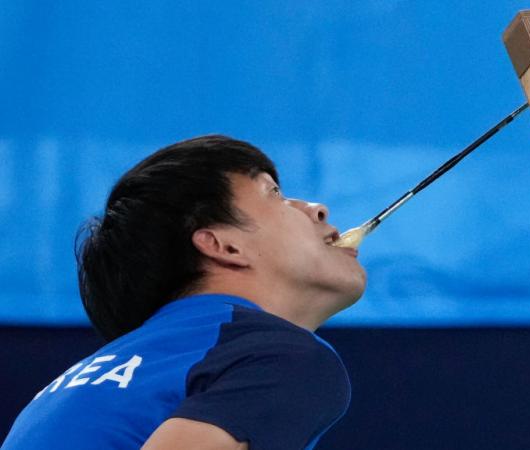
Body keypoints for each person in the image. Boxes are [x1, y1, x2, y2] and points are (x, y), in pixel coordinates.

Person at [1, 135, 366, 450]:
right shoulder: (273, 353)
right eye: (273, 192)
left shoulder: (65, 393)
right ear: (224, 245)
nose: (317, 210)